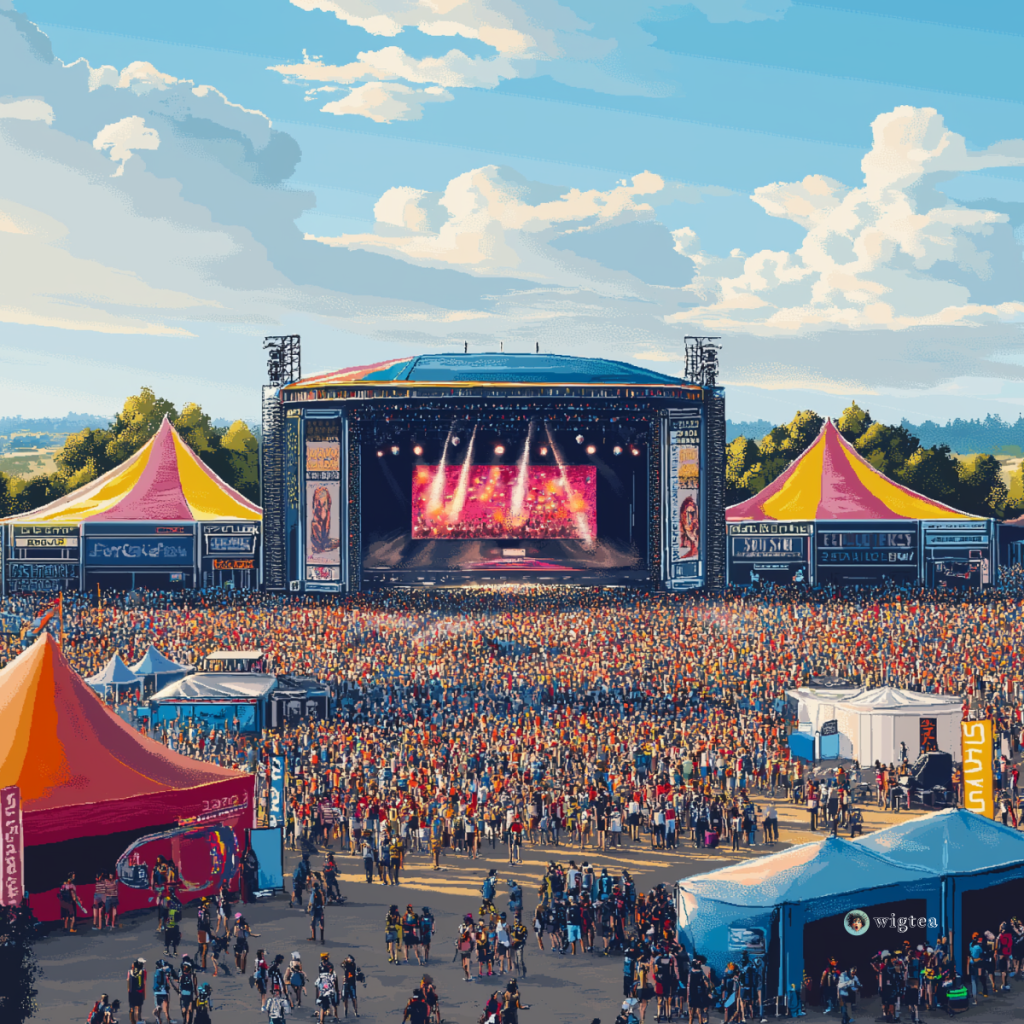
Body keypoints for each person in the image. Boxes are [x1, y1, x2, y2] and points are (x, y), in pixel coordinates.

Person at [153, 958, 179, 1024]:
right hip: (164, 991)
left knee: (158, 1006)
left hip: (157, 992)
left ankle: (158, 1020)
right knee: (166, 1005)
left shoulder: (157, 972)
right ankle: (168, 1019)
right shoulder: (164, 971)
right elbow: (171, 981)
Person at [126, 958, 147, 1024]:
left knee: (132, 1007)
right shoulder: (143, 971)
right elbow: (144, 981)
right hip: (139, 991)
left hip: (131, 992)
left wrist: (129, 990)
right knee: (138, 1007)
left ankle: (132, 1021)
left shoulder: (130, 972)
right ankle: (139, 1020)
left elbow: (128, 980)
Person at [179, 955, 199, 1024]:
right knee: (186, 1010)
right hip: (186, 994)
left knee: (187, 1010)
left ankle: (187, 1022)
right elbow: (195, 984)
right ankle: (186, 1020)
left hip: (187, 994)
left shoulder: (185, 974)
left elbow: (194, 984)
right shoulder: (190, 974)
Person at [309, 875, 327, 945]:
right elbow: (324, 901)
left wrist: (309, 908)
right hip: (320, 909)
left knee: (313, 923)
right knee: (321, 923)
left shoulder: (314, 892)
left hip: (315, 909)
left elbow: (312, 901)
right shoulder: (321, 892)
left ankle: (314, 937)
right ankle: (322, 938)